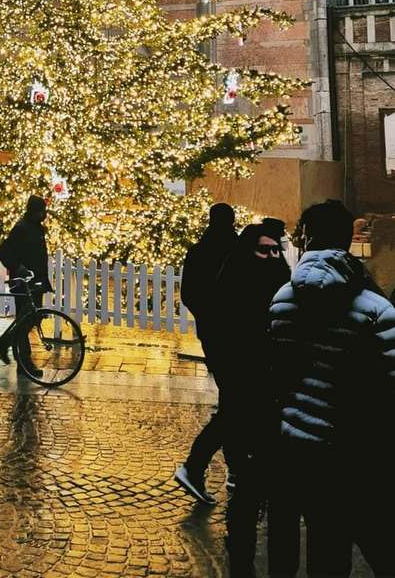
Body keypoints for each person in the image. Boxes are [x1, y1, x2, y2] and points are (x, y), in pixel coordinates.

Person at [268, 200, 395, 578]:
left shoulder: (282, 299)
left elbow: (277, 374)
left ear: (306, 239)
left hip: (295, 443)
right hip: (355, 450)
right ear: (347, 240)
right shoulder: (375, 308)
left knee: (321, 547)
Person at [214, 223, 291, 578]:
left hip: (277, 409)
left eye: (276, 249)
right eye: (264, 250)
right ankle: (241, 557)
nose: (273, 256)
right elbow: (226, 351)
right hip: (245, 404)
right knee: (247, 492)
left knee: (278, 497)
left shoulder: (287, 294)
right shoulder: (232, 289)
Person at [174, 203, 238, 504]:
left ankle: (234, 467)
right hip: (237, 336)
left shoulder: (199, 251)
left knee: (232, 400)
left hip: (212, 335)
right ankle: (197, 465)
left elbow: (189, 294)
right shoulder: (237, 250)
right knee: (235, 403)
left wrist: (206, 316)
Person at [0, 195, 52, 380]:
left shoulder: (35, 228)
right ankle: (24, 362)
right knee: (24, 323)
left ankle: (5, 345)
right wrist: (18, 267)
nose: (44, 214)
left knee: (28, 322)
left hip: (34, 284)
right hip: (23, 284)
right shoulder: (22, 229)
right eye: (41, 210)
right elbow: (3, 252)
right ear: (34, 211)